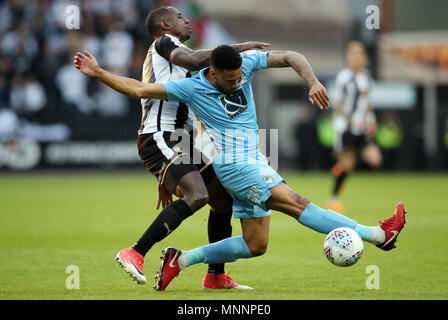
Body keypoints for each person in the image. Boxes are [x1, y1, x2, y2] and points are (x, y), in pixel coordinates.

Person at [73, 44, 407, 292]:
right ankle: (379, 235)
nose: (236, 84)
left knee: (255, 245)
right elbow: (139, 88)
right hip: (236, 166)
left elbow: (292, 57)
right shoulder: (191, 87)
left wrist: (313, 82)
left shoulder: (244, 64)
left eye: (239, 80)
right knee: (297, 204)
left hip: (254, 161)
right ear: (213, 72)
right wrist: (99, 73)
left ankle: (181, 259)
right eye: (229, 81)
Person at [109, 6, 269, 289]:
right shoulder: (164, 43)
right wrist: (241, 48)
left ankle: (216, 276)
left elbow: (197, 63)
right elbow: (196, 60)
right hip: (161, 136)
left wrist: (167, 176)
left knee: (221, 198)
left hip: (181, 141)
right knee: (198, 195)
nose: (186, 20)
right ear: (164, 24)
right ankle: (135, 251)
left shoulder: (172, 53)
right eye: (179, 17)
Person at [329, 41, 382, 212]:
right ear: (348, 59)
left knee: (374, 159)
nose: (357, 58)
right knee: (348, 164)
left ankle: (340, 169)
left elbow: (367, 102)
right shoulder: (344, 78)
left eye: (360, 55)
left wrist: (372, 119)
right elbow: (338, 105)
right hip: (346, 127)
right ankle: (334, 198)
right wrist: (351, 119)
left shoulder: (366, 77)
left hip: (362, 127)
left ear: (364, 58)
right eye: (354, 55)